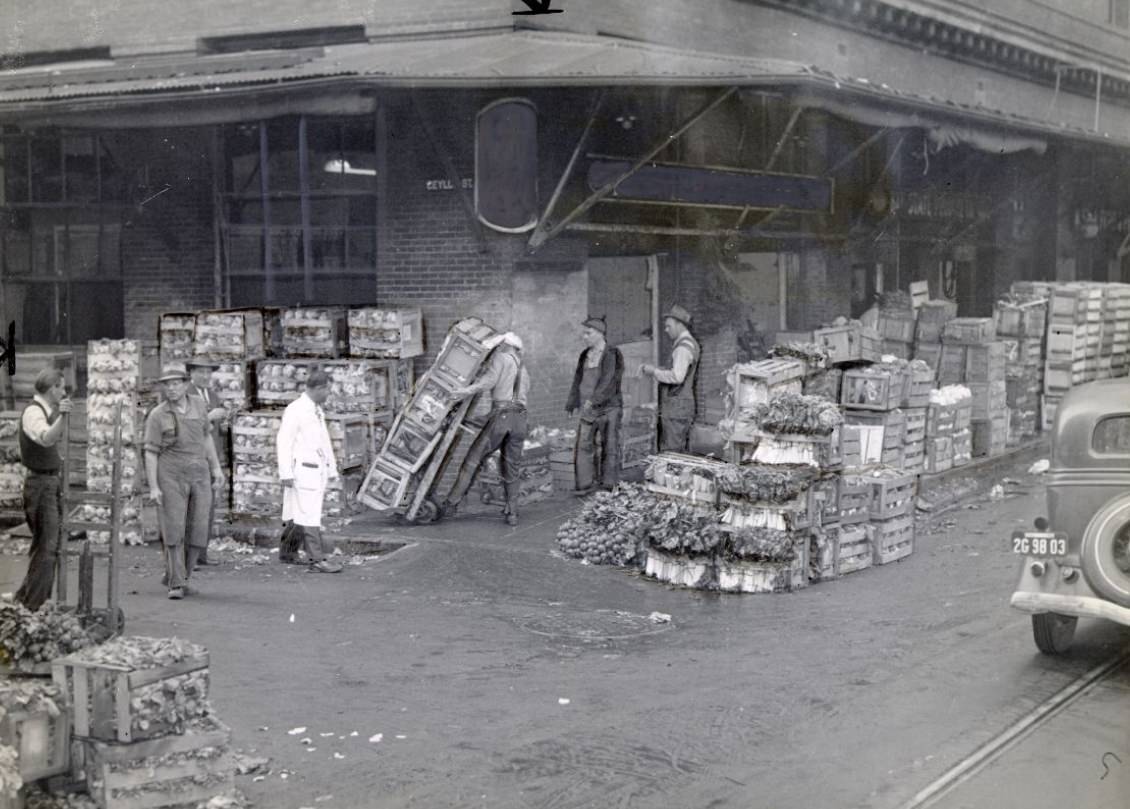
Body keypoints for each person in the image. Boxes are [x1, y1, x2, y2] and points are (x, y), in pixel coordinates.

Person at [144, 364, 225, 600]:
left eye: (176, 383)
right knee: (174, 529)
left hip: (199, 472)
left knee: (199, 529)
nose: (171, 388)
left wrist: (216, 469)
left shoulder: (199, 405)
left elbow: (206, 436)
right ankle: (176, 583)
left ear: (185, 384)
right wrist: (154, 486)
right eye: (167, 384)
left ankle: (182, 575)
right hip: (171, 475)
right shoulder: (157, 415)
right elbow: (150, 452)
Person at [437, 332, 529, 527]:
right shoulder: (522, 366)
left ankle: (451, 504)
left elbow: (489, 382)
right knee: (511, 467)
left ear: (505, 345)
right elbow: (519, 396)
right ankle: (512, 512)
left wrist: (465, 391)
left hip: (501, 417)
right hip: (520, 420)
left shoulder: (501, 358)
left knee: (472, 461)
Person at [13, 369, 73, 611]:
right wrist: (63, 416)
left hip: (48, 483)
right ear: (51, 389)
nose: (64, 392)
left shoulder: (47, 411)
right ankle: (33, 606)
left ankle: (24, 599)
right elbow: (46, 438)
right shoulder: (33, 413)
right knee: (47, 548)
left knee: (47, 546)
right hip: (39, 485)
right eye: (61, 388)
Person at [276, 370, 342, 573]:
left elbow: (324, 441)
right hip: (302, 470)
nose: (328, 394)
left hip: (315, 469)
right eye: (327, 391)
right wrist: (285, 472)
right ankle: (316, 559)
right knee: (309, 515)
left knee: (298, 512)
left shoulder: (316, 410)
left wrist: (331, 468)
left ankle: (287, 552)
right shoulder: (296, 410)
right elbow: (283, 441)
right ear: (318, 388)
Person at [566, 315, 623, 494]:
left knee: (610, 445)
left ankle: (608, 484)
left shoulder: (612, 354)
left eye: (588, 333)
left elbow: (608, 381)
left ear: (599, 333)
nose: (584, 337)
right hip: (587, 407)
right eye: (584, 333)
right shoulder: (585, 354)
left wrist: (594, 400)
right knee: (583, 445)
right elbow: (578, 379)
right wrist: (572, 403)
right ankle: (585, 484)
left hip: (608, 408)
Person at [641, 304, 700, 452]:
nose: (666, 330)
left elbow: (677, 377)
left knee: (671, 452)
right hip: (681, 407)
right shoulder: (691, 344)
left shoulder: (682, 348)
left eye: (669, 326)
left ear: (680, 324)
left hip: (676, 409)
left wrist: (653, 371)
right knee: (680, 451)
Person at [186, 360, 227, 567]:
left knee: (208, 507)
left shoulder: (213, 395)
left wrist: (224, 422)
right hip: (192, 458)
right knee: (193, 508)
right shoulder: (185, 395)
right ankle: (189, 556)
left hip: (210, 457)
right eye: (200, 371)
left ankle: (202, 553)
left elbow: (216, 432)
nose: (204, 376)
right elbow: (187, 424)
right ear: (191, 373)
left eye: (207, 372)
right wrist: (210, 416)